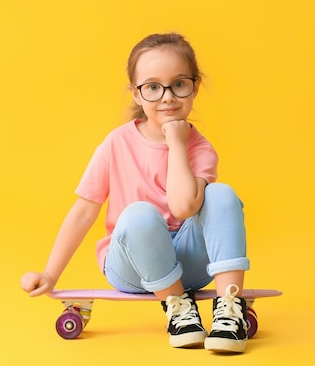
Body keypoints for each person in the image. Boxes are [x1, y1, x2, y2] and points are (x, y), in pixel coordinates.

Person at [20, 32, 251, 353]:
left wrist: (176, 143)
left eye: (179, 84)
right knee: (139, 214)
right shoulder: (116, 143)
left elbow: (184, 207)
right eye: (153, 88)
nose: (167, 97)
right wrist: (50, 272)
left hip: (190, 267)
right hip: (131, 266)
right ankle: (178, 307)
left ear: (195, 87)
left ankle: (229, 311)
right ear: (136, 94)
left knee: (222, 195)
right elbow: (84, 210)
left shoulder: (201, 149)